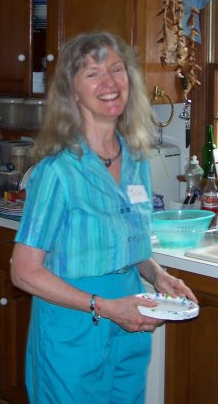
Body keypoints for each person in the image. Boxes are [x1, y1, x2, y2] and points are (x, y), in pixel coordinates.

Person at [11, 31, 197, 403]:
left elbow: (127, 243)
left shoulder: (137, 159)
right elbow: (24, 270)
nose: (110, 82)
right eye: (93, 73)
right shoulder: (58, 171)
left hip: (129, 315)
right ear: (72, 91)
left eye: (117, 69)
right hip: (75, 323)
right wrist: (105, 307)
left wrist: (159, 276)